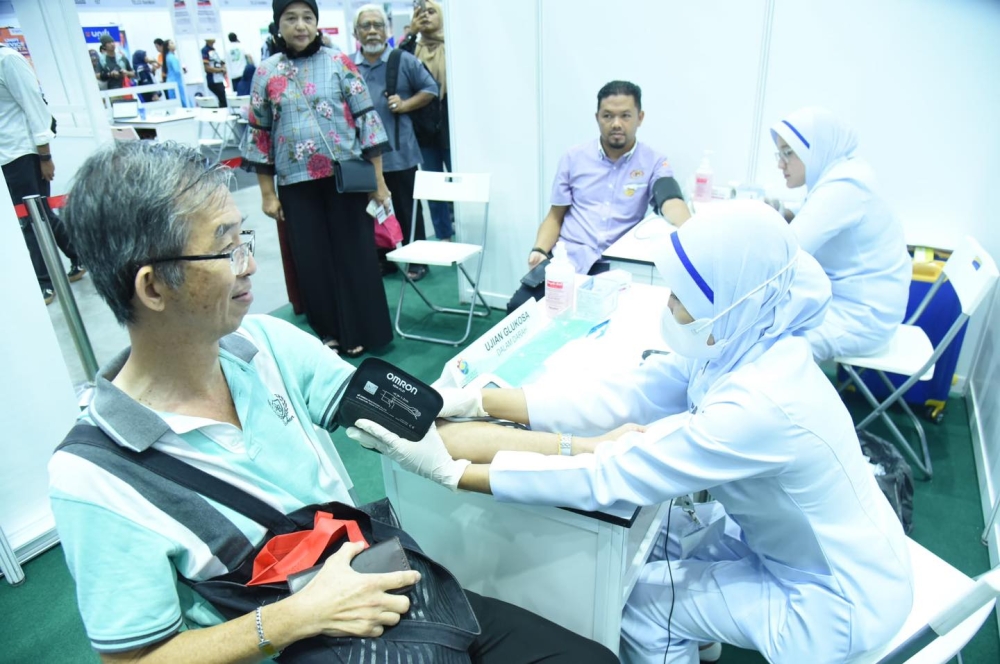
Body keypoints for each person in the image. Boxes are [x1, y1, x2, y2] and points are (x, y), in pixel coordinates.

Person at [49, 139, 618, 664]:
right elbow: (135, 658)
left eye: (241, 237)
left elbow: (422, 428)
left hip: (393, 589)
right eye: (224, 249)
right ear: (152, 288)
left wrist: (586, 449)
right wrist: (298, 616)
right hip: (305, 639)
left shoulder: (264, 345)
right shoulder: (97, 475)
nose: (248, 264)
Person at [349, 201, 915, 663]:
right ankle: (708, 628)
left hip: (837, 599)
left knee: (642, 605)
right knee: (657, 545)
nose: (669, 308)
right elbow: (626, 395)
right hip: (822, 551)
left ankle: (684, 637)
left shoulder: (759, 403)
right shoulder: (751, 335)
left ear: (730, 303)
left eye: (683, 300)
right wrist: (477, 399)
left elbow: (610, 477)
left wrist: (456, 473)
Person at [243, 0, 394, 358]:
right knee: (313, 260)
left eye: (307, 18)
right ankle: (328, 331)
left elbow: (367, 120)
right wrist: (267, 194)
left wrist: (379, 181)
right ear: (277, 24)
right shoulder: (266, 72)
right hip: (295, 185)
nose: (300, 25)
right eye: (291, 18)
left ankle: (363, 330)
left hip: (344, 178)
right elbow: (259, 133)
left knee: (354, 255)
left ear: (317, 23)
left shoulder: (338, 62)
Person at [507, 80, 690, 312]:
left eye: (625, 115)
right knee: (520, 309)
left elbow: (671, 200)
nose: (616, 124)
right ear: (597, 117)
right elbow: (555, 216)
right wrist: (540, 250)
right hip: (569, 260)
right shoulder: (573, 158)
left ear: (640, 117)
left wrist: (693, 231)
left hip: (617, 267)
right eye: (607, 116)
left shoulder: (654, 161)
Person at [770, 107, 911, 362]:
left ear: (816, 149)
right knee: (765, 321)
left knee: (768, 345)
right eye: (779, 153)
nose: (781, 163)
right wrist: (784, 213)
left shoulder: (845, 186)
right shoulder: (843, 171)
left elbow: (789, 254)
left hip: (861, 317)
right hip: (853, 301)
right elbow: (810, 213)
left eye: (789, 153)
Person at [353, 3, 438, 280]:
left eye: (378, 25)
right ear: (357, 32)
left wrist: (405, 104)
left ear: (387, 30)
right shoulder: (348, 67)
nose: (373, 31)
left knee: (407, 209)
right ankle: (383, 260)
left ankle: (418, 261)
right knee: (371, 212)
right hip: (363, 158)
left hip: (401, 153)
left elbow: (430, 89)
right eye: (366, 26)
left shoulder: (403, 60)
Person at [0, 43, 84, 304]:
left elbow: (36, 107)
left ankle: (45, 283)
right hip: (5, 155)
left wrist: (44, 156)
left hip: (23, 154)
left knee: (31, 221)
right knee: (40, 216)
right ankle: (80, 255)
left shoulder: (8, 60)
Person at [410, 0, 453, 243]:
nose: (425, 16)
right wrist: (411, 32)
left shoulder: (454, 47)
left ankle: (467, 231)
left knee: (462, 182)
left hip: (453, 127)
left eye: (431, 11)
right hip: (425, 129)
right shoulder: (412, 51)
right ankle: (444, 236)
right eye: (420, 12)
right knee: (434, 185)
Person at [163, 39, 190, 107]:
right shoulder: (172, 57)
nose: (174, 44)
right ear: (168, 47)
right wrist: (184, 70)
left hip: (171, 82)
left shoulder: (168, 57)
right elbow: (177, 70)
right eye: (171, 43)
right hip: (176, 82)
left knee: (175, 102)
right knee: (184, 100)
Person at [202, 37, 228, 107]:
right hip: (213, 80)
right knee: (223, 100)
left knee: (223, 100)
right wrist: (220, 70)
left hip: (219, 79)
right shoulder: (205, 51)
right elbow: (206, 68)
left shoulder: (213, 50)